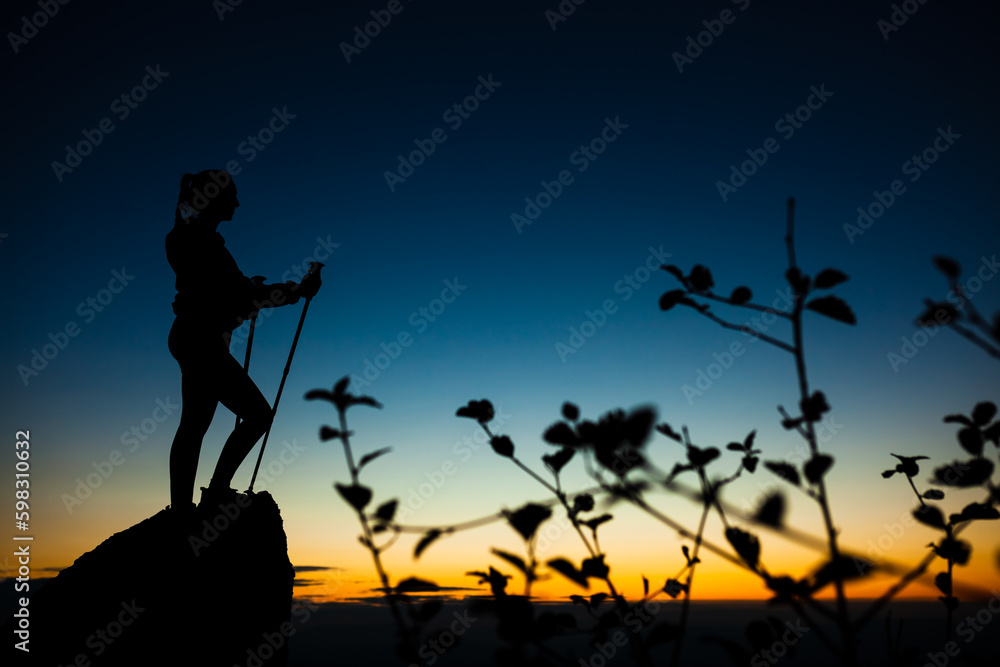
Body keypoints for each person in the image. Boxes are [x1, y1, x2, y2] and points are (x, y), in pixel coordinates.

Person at [165, 170, 317, 512]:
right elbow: (232, 293)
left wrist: (248, 288)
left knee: (194, 425)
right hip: (202, 340)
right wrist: (296, 291)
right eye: (230, 195)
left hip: (194, 337)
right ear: (213, 199)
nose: (237, 201)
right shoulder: (200, 241)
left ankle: (183, 509)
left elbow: (226, 289)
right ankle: (213, 494)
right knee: (258, 415)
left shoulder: (193, 238)